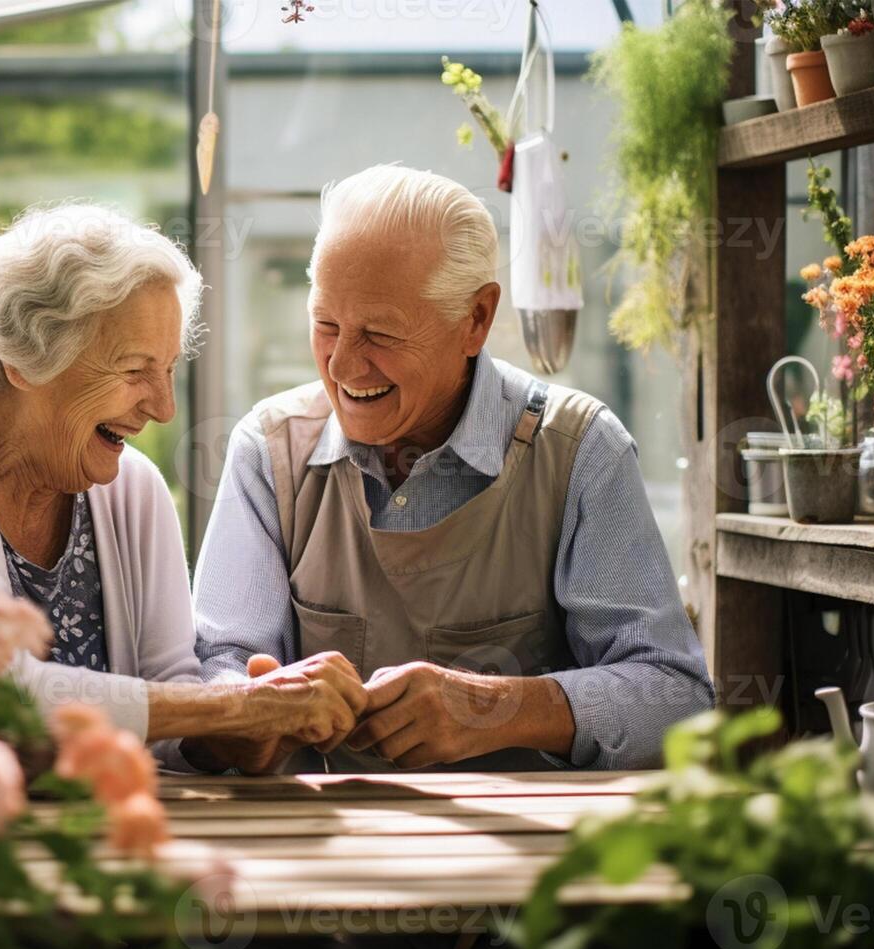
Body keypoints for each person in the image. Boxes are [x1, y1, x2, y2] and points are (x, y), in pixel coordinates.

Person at [193, 164, 715, 774]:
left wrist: (497, 707)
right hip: (321, 846)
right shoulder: (268, 450)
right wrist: (239, 717)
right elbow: (218, 667)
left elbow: (676, 698)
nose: (342, 366)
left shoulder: (580, 450)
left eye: (380, 334)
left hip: (534, 853)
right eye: (326, 325)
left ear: (476, 320)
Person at [0, 203, 364, 769]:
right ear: (25, 358)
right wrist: (228, 710)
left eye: (169, 369)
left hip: (79, 839)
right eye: (133, 370)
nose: (164, 408)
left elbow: (171, 700)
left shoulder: (131, 490)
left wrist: (243, 728)